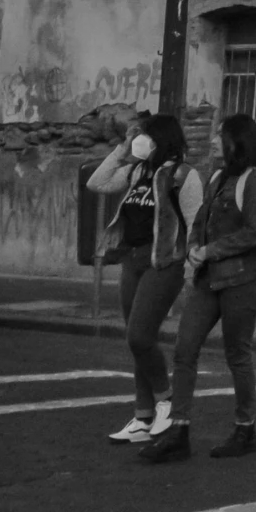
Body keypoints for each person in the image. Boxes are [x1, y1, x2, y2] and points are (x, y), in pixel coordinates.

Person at [142, 112, 256, 463]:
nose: (214, 141)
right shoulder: (217, 177)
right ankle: (178, 430)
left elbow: (254, 233)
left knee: (237, 354)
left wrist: (209, 251)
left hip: (243, 280)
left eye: (220, 136)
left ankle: (245, 429)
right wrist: (192, 251)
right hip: (208, 279)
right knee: (185, 349)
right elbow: (200, 220)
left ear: (236, 142)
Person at [88, 111, 204, 443]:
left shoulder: (183, 176)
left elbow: (195, 225)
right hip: (133, 259)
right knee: (139, 342)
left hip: (164, 262)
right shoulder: (137, 171)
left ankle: (166, 400)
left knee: (139, 336)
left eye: (146, 136)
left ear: (161, 139)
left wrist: (192, 271)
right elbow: (97, 182)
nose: (142, 140)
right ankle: (142, 417)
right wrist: (123, 149)